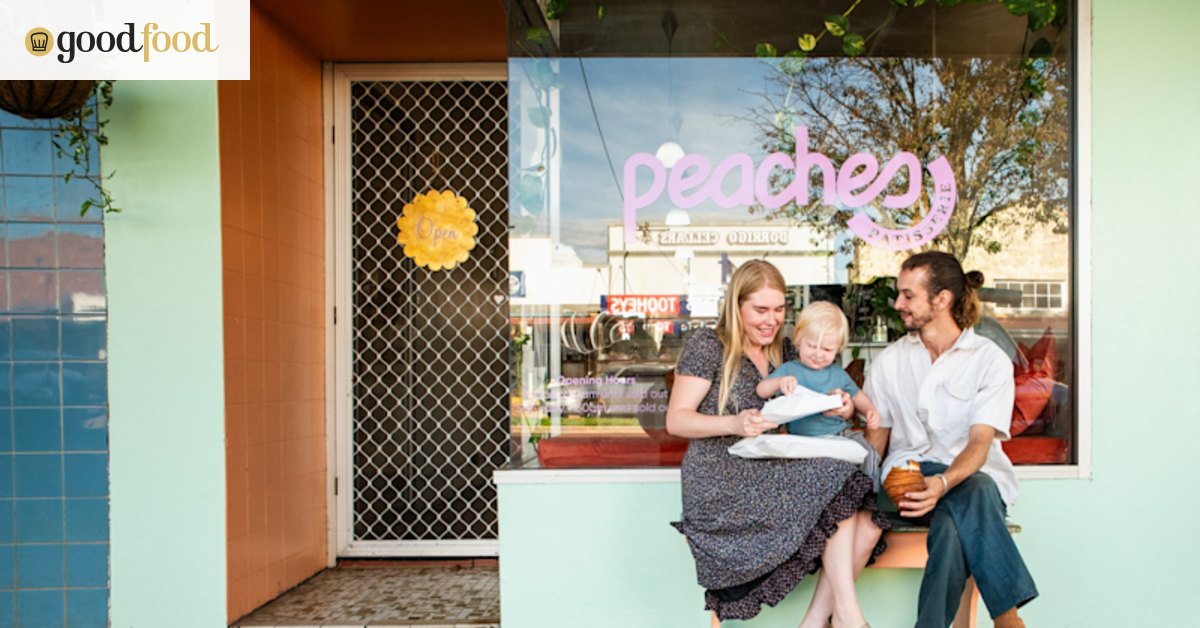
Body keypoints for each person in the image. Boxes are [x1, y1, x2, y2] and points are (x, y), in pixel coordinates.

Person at [667, 260, 888, 628]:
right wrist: (735, 423)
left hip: (772, 469)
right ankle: (845, 618)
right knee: (841, 483)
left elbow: (812, 405)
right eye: (760, 310)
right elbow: (677, 419)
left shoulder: (786, 351)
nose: (771, 320)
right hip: (721, 481)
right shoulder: (708, 346)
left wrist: (842, 408)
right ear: (736, 306)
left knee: (860, 507)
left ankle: (822, 620)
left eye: (780, 309)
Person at [863, 251, 1038, 628]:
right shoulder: (889, 361)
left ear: (941, 300)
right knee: (974, 491)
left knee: (953, 523)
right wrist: (855, 493)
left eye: (908, 295)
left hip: (967, 481)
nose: (898, 304)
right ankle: (1009, 619)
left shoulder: (988, 361)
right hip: (909, 480)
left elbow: (979, 444)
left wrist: (942, 484)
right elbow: (876, 441)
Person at [756, 301, 883, 488]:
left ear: (838, 348)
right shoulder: (790, 370)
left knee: (869, 454)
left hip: (840, 434)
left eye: (827, 349)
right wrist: (779, 382)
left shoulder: (838, 373)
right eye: (811, 346)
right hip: (803, 440)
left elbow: (857, 396)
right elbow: (761, 390)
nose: (818, 355)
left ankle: (869, 495)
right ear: (798, 338)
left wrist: (870, 410)